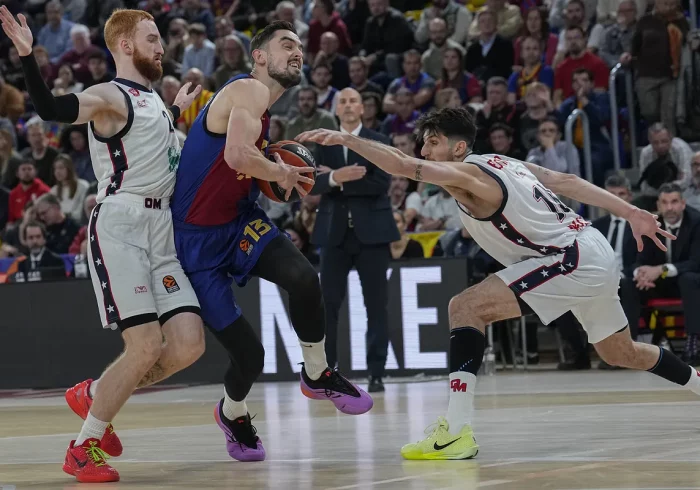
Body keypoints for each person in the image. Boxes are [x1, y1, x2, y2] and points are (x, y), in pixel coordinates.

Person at [298, 107, 700, 461]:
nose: (424, 151)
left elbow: (403, 166)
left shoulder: (469, 172)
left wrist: (350, 139)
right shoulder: (503, 161)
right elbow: (565, 180)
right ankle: (698, 384)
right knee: (621, 352)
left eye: (432, 143)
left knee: (465, 307)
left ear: (457, 148)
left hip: (569, 258)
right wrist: (631, 211)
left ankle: (455, 431)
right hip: (589, 249)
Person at [0, 7, 206, 482]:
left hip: (161, 231)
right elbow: (52, 110)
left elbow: (151, 138)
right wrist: (28, 56)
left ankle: (94, 395)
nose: (162, 46)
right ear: (127, 46)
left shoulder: (153, 99)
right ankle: (82, 447)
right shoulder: (109, 94)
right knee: (144, 346)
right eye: (153, 39)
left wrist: (176, 109)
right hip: (122, 225)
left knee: (188, 345)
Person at [171, 21, 372, 463]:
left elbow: (241, 166)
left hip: (238, 221)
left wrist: (276, 177)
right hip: (196, 241)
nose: (297, 52)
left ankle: (317, 373)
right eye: (286, 45)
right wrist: (283, 173)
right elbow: (237, 156)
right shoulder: (248, 91)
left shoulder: (261, 111)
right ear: (259, 56)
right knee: (251, 356)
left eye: (300, 46)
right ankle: (233, 413)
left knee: (303, 277)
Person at [311, 87, 398, 393]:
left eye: (353, 101)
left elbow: (380, 182)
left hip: (373, 234)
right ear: (335, 109)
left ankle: (376, 373)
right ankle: (328, 372)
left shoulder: (379, 141)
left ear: (363, 108)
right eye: (342, 102)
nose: (347, 106)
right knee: (329, 306)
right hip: (334, 234)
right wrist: (339, 176)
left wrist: (335, 178)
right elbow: (310, 182)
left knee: (376, 305)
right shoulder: (322, 142)